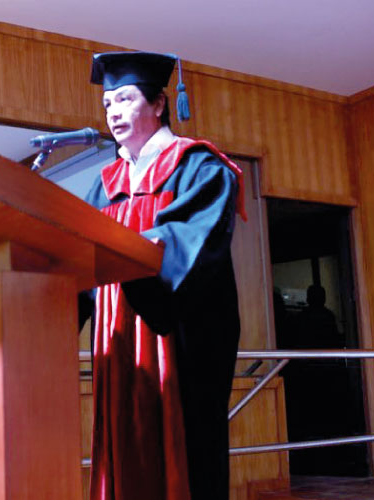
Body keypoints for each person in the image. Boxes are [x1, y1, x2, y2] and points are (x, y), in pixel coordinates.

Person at [79, 51, 246, 500]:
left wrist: (128, 252)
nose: (113, 111)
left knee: (186, 449)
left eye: (125, 99)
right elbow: (80, 265)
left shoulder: (201, 167)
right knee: (124, 441)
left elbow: (190, 245)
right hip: (117, 342)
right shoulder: (104, 183)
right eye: (107, 102)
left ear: (158, 104)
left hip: (178, 338)